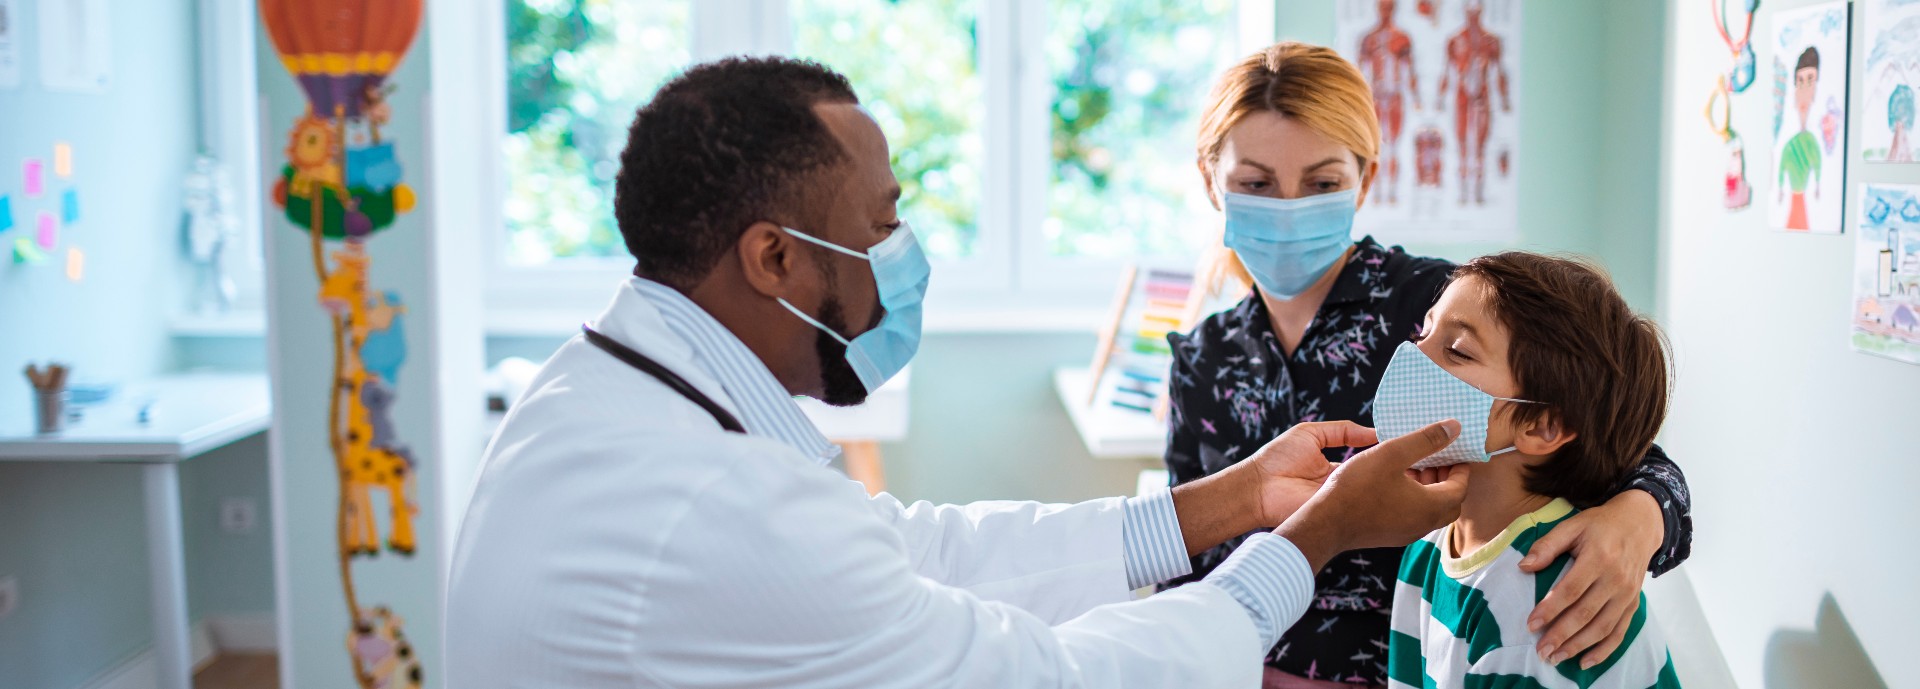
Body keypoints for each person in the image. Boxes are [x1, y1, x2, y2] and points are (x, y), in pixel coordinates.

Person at [445, 56, 1477, 688]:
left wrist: (1238, 497)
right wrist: (1316, 530)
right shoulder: (718, 503)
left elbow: (923, 547)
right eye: (884, 225)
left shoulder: (605, 396)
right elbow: (1052, 673)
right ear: (774, 258)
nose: (905, 254)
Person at [1163, 42, 1694, 688]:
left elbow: (1613, 435)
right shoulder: (1202, 359)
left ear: (1366, 178)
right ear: (1210, 180)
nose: (1289, 206)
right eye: (1256, 183)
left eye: (1323, 182)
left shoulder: (1438, 310)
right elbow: (1181, 555)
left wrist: (1637, 520)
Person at [1380, 252, 1680, 688]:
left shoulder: (1544, 613)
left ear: (1543, 425)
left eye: (1457, 350)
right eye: (1422, 331)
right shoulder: (1430, 545)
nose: (1411, 354)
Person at [1778, 47, 1823, 230]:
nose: (1804, 90)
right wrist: (1780, 188)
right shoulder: (1790, 144)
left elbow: (1817, 162)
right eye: (1800, 81)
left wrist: (1818, 185)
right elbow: (1782, 166)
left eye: (1810, 80)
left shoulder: (1811, 141)